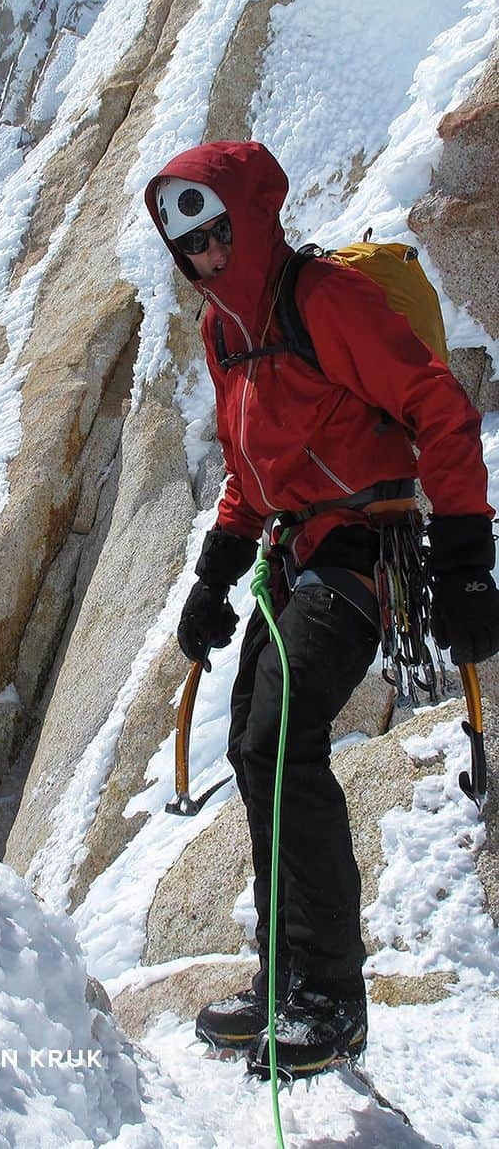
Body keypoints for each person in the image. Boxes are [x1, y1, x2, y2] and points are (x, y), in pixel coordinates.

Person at [143, 140, 499, 1077]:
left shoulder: (321, 302)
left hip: (364, 548)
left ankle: (331, 1001)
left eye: (217, 234)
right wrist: (212, 579)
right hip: (292, 548)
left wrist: (467, 560)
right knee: (252, 749)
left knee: (280, 741)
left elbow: (440, 410)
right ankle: (282, 982)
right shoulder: (227, 334)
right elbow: (252, 474)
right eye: (190, 247)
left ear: (248, 220)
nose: (206, 258)